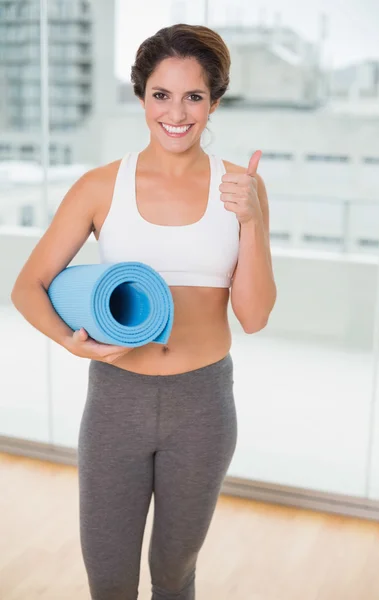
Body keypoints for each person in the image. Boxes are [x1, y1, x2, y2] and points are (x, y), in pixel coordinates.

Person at [11, 23, 277, 600]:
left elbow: (253, 317)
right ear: (140, 97)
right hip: (116, 399)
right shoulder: (100, 187)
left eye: (194, 96)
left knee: (175, 572)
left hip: (203, 404)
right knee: (108, 574)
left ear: (214, 100)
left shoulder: (241, 189)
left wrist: (252, 221)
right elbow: (28, 286)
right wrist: (69, 341)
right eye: (161, 94)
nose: (176, 112)